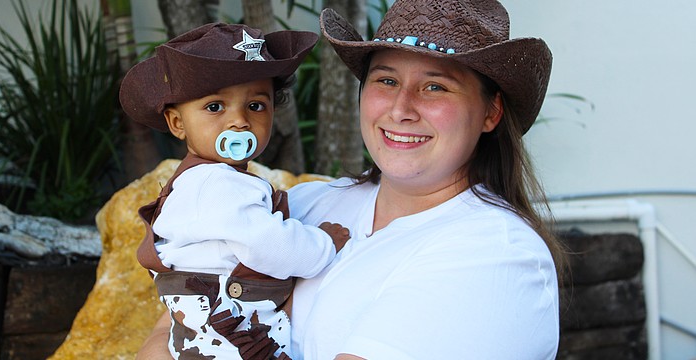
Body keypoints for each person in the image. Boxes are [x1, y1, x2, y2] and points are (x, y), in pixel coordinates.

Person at [138, 0, 565, 359]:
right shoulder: (311, 203)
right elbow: (168, 333)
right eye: (386, 80)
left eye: (436, 87)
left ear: (491, 113)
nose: (401, 108)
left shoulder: (493, 253)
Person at [119, 23, 350, 359]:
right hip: (227, 335)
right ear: (177, 123)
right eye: (215, 107)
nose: (239, 121)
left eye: (256, 105)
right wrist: (325, 245)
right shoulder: (217, 184)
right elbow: (271, 245)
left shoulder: (199, 180)